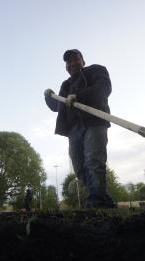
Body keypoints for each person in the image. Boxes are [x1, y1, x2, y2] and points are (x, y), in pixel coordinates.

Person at [44, 49, 116, 208]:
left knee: (93, 161)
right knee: (79, 167)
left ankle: (96, 201)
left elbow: (104, 88)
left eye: (75, 59)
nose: (72, 64)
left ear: (83, 61)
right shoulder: (66, 85)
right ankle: (104, 200)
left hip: (93, 122)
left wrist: (79, 96)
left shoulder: (96, 70)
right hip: (73, 130)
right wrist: (48, 97)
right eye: (68, 62)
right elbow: (57, 106)